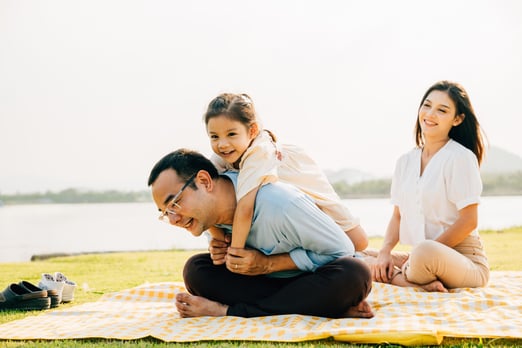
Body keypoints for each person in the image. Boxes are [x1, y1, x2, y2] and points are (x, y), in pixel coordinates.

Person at [148, 148, 373, 318]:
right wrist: (224, 256)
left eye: (175, 203)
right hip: (267, 287)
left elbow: (342, 250)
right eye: (165, 213)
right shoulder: (210, 220)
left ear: (205, 181)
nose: (174, 219)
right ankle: (321, 308)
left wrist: (268, 264)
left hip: (310, 280)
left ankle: (228, 311)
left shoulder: (280, 204)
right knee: (197, 270)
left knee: (354, 272)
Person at [364, 80, 489, 292]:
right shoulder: (405, 161)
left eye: (442, 110)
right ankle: (410, 279)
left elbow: (469, 221)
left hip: (466, 262)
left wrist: (420, 254)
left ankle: (405, 274)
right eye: (427, 105)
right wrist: (385, 251)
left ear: (457, 119)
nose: (430, 114)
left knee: (423, 252)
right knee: (357, 255)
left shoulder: (460, 158)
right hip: (422, 257)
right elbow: (397, 216)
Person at [203, 93, 368, 252]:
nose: (222, 144)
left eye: (231, 134)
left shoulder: (260, 150)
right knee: (320, 241)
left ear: (252, 131)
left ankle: (385, 257)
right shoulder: (221, 156)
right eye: (214, 137)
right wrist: (217, 240)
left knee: (358, 241)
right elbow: (203, 197)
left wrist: (236, 253)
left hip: (298, 178)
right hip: (288, 204)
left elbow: (245, 207)